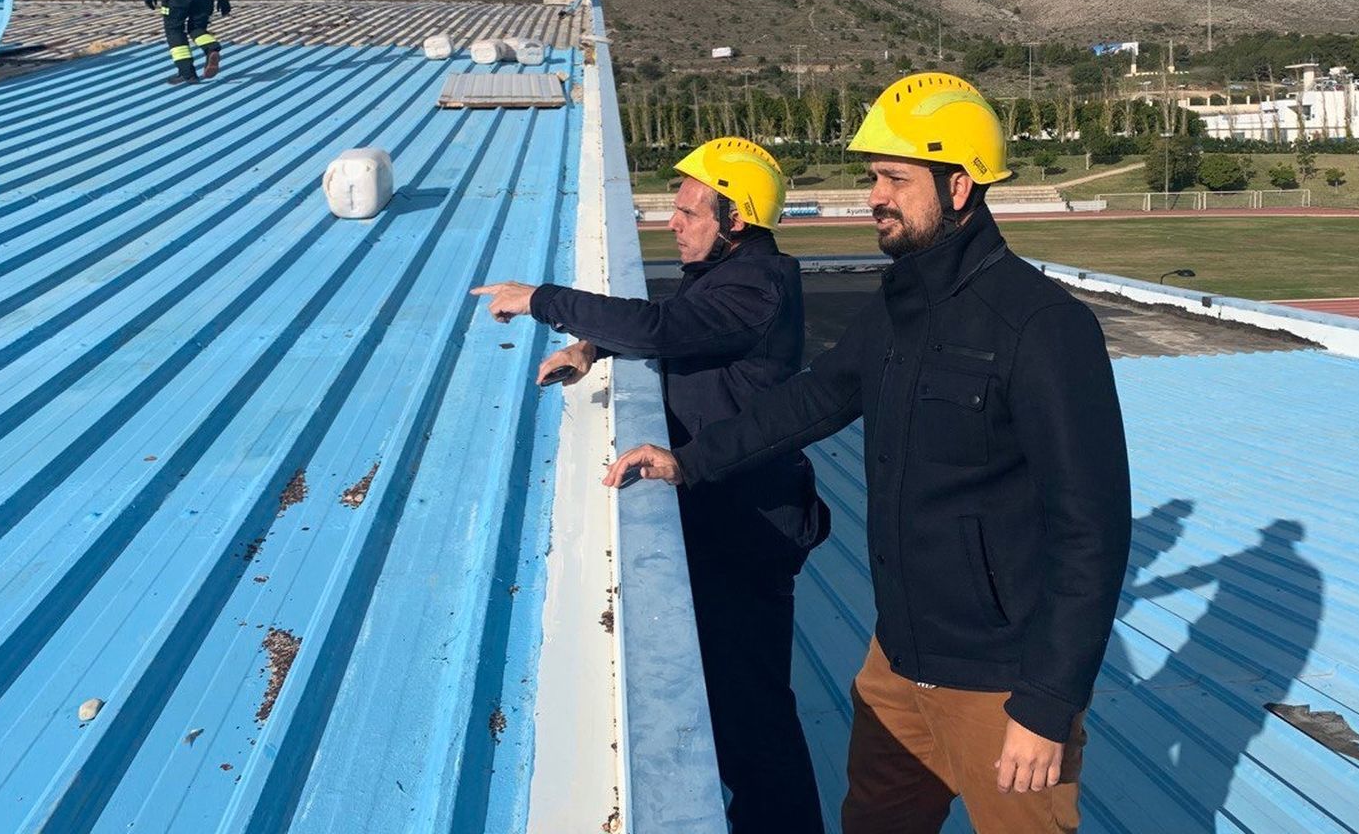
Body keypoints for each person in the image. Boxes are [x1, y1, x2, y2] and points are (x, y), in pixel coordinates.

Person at [606, 73, 1132, 834]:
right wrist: (691, 460)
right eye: (872, 177)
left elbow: (1093, 529)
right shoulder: (898, 307)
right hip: (895, 668)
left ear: (959, 187)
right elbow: (813, 399)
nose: (873, 196)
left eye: (894, 178)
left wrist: (1048, 705)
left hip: (1000, 687)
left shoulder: (1043, 328)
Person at [472, 137, 829, 834]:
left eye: (691, 210)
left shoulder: (756, 283)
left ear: (737, 220)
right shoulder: (727, 276)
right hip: (726, 516)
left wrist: (542, 299)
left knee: (755, 721)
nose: (674, 221)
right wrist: (591, 348)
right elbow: (675, 335)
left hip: (747, 530)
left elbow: (663, 325)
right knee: (737, 711)